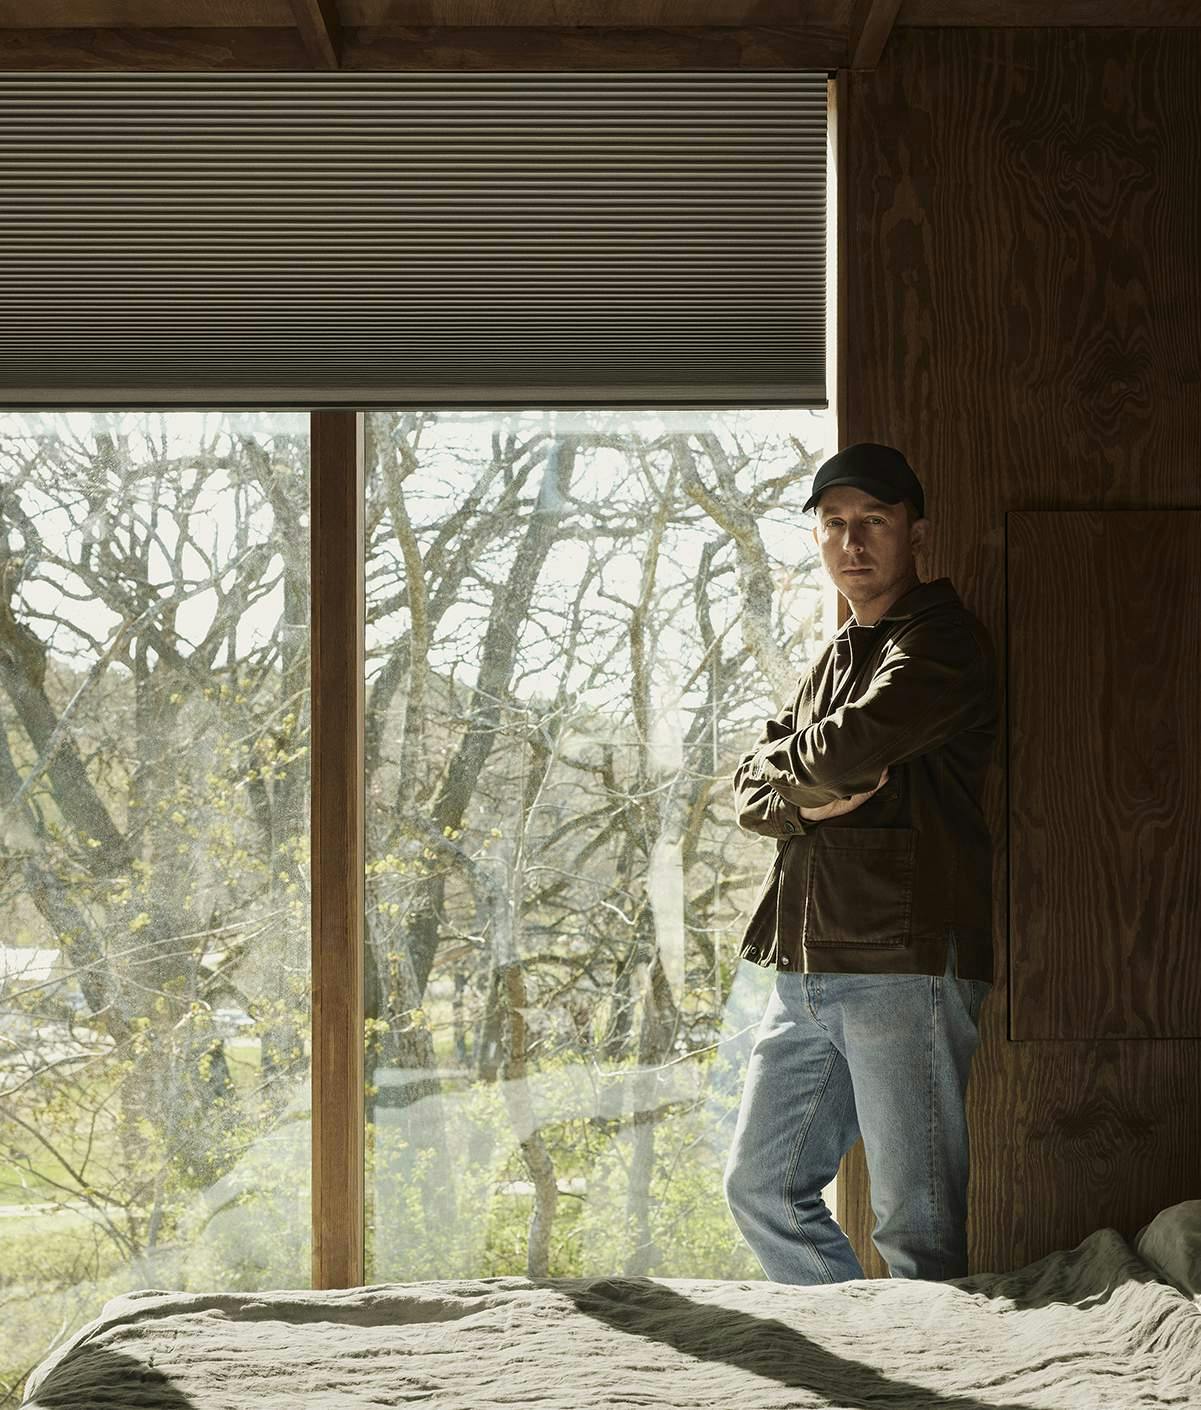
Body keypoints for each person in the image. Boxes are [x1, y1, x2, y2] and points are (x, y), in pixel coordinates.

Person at [722, 441, 997, 1284]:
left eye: (872, 521)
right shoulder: (836, 655)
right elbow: (747, 788)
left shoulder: (940, 643)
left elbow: (847, 753)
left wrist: (793, 781)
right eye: (834, 523)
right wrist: (793, 792)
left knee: (914, 1226)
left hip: (902, 965)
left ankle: (935, 1378)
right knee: (762, 1188)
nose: (852, 541)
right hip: (805, 968)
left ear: (915, 530)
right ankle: (875, 1365)